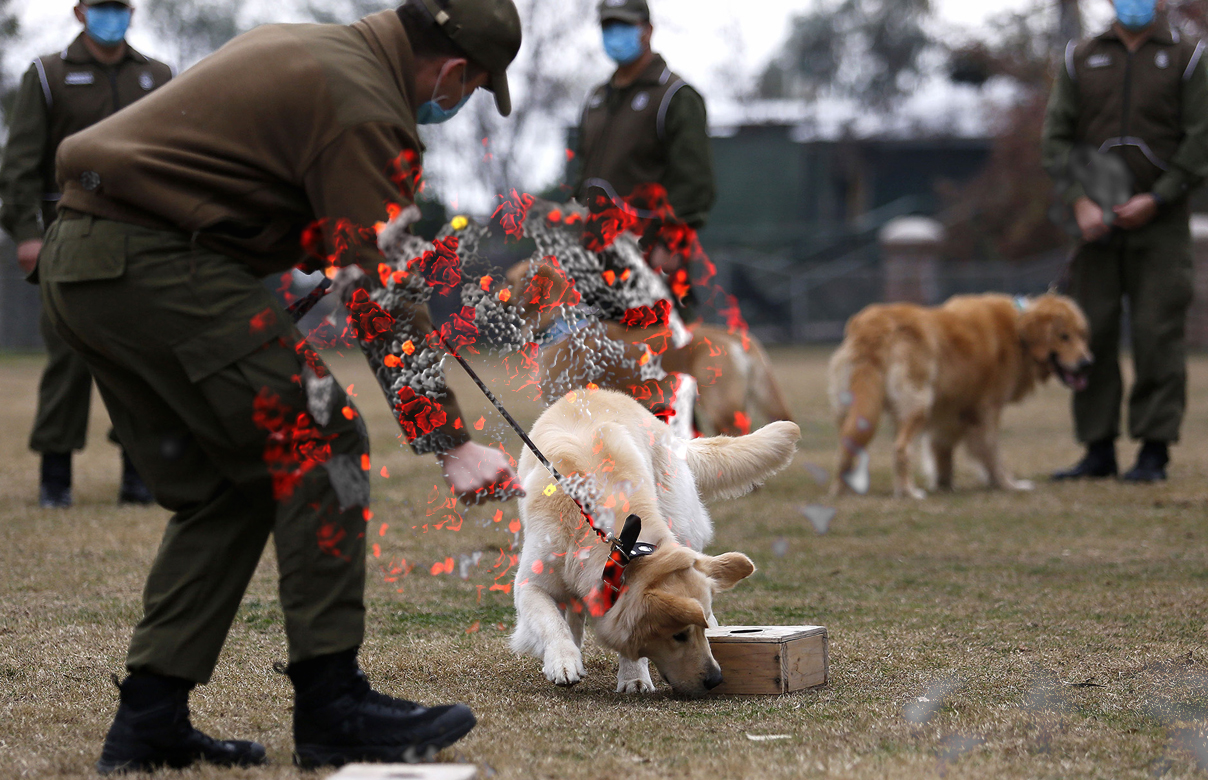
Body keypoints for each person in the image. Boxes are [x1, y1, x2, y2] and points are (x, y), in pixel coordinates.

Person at [38, 0, 522, 771]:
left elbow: (230, 177)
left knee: (231, 484)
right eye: (471, 91)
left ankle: (149, 719)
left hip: (86, 258)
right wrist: (451, 441)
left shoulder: (319, 51)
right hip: (154, 263)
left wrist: (277, 264)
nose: (454, 106)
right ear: (456, 71)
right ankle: (333, 705)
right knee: (324, 435)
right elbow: (381, 296)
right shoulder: (368, 106)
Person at [0, 0, 170, 508]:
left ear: (132, 12)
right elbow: (19, 163)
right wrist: (26, 232)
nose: (110, 15)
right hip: (66, 236)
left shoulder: (157, 76)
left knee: (142, 358)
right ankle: (56, 478)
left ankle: (138, 476)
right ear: (79, 12)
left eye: (119, 7)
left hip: (141, 237)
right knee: (68, 356)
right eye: (101, 7)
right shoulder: (48, 75)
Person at [1042, 0, 1208, 483]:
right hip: (1094, 224)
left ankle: (1153, 452)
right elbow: (1056, 139)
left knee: (1156, 331)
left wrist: (1157, 199)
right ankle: (1097, 451)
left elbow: (1203, 143)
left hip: (1161, 225)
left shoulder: (1188, 56)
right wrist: (1080, 200)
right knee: (1088, 333)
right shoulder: (1081, 57)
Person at [572, 0, 716, 313]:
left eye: (624, 25)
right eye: (608, 26)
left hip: (651, 258)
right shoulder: (596, 100)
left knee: (661, 358)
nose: (614, 34)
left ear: (647, 30)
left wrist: (669, 244)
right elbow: (580, 177)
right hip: (594, 262)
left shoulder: (675, 97)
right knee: (596, 358)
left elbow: (695, 184)